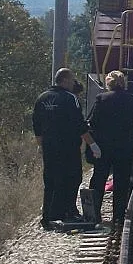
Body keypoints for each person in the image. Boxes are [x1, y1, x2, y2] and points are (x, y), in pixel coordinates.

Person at [33, 68, 102, 229]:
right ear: (64, 80)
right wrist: (92, 144)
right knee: (72, 178)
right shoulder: (70, 98)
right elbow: (80, 125)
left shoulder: (42, 98)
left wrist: (40, 145)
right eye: (71, 80)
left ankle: (48, 216)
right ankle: (67, 212)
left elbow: (36, 124)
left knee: (50, 180)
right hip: (68, 147)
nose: (73, 83)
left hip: (49, 146)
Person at [86, 70, 133, 226]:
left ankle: (94, 215)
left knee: (99, 179)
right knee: (121, 181)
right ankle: (119, 217)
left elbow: (93, 122)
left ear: (109, 83)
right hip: (124, 147)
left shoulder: (101, 98)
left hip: (104, 147)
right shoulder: (132, 99)